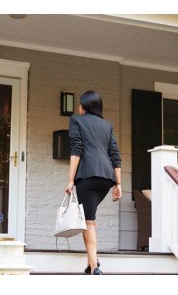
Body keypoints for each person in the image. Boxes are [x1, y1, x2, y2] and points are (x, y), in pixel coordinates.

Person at [65, 90, 122, 275]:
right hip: (106, 179)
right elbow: (115, 155)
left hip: (87, 177)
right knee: (89, 219)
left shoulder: (76, 120)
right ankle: (91, 261)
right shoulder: (107, 125)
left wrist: (70, 180)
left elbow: (76, 150)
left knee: (88, 222)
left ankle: (95, 268)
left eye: (80, 104)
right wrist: (118, 184)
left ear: (83, 106)